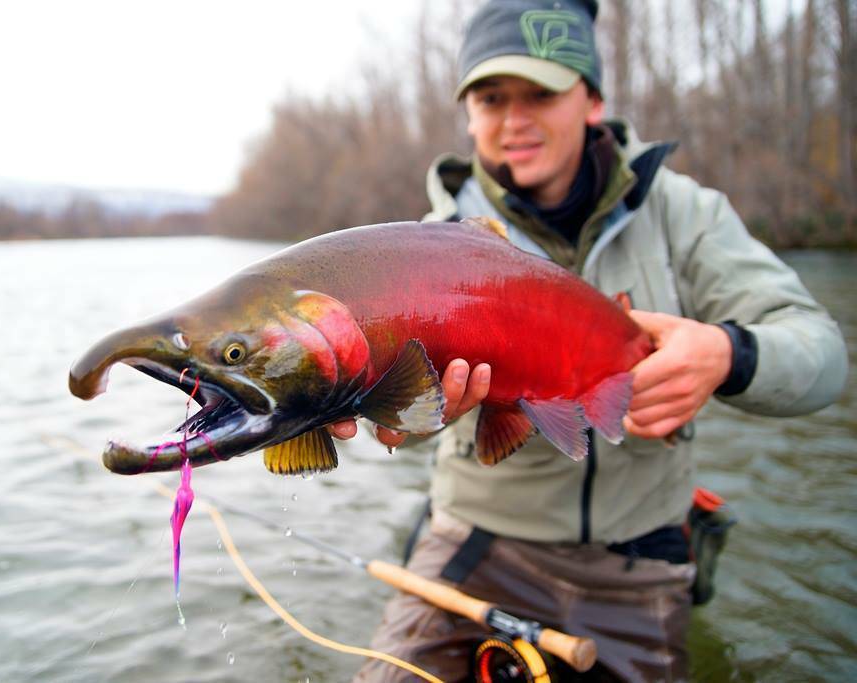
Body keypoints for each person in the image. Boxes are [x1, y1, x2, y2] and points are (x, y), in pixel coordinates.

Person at [330, 0, 850, 680]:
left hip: (640, 556)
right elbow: (399, 431)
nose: (514, 120)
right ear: (469, 114)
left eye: (540, 94)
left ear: (593, 99)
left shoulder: (685, 214)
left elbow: (824, 356)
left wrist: (730, 354)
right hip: (476, 544)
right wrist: (405, 413)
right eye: (491, 98)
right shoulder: (430, 247)